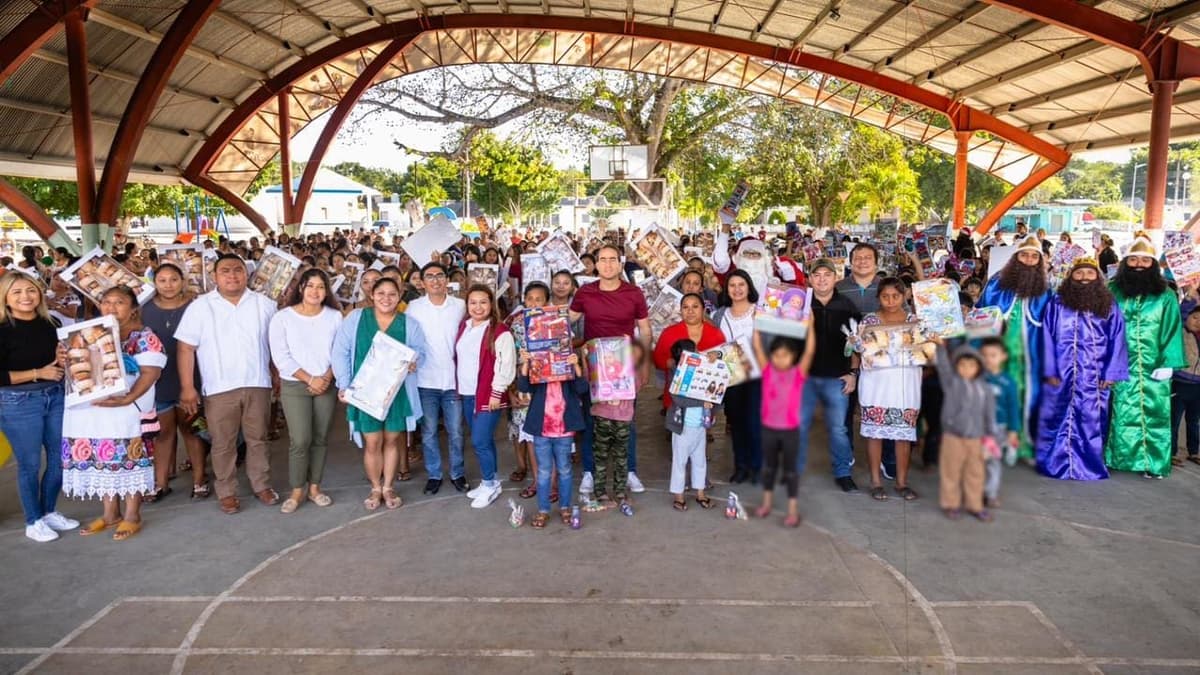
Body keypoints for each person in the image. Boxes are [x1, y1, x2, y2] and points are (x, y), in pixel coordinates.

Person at [175, 253, 279, 515]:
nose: (232, 275)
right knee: (223, 442)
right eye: (225, 271)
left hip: (258, 383)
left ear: (247, 274)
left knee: (258, 439)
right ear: (214, 277)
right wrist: (188, 388)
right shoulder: (200, 306)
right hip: (219, 387)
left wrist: (276, 374)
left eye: (238, 270)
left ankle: (261, 484)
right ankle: (227, 491)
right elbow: (186, 348)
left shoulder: (264, 304)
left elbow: (276, 343)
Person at [64, 286, 164, 540]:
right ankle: (110, 514)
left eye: (119, 302)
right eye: (106, 302)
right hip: (92, 412)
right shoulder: (86, 334)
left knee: (129, 459)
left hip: (128, 410)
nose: (111, 307)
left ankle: (132, 515)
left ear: (133, 310)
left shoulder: (143, 336)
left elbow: (151, 372)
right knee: (103, 458)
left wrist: (129, 397)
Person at [333, 277, 425, 510]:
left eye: (392, 294)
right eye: (381, 293)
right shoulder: (356, 319)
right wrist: (343, 384)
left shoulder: (409, 323)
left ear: (400, 296)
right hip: (365, 392)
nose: (386, 298)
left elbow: (420, 351)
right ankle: (375, 486)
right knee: (373, 441)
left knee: (392, 440)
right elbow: (340, 351)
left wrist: (415, 361)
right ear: (372, 295)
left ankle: (388, 486)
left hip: (396, 392)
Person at [568, 244, 651, 496]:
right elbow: (564, 321)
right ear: (596, 264)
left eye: (612, 259)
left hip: (625, 367)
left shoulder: (634, 292)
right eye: (602, 259)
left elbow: (645, 331)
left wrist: (644, 364)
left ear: (620, 262)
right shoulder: (585, 292)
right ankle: (590, 473)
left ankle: (629, 472)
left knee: (626, 423)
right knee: (593, 422)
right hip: (593, 367)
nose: (607, 264)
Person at [0, 273, 78, 542]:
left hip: (54, 395)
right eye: (17, 292)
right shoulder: (2, 328)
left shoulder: (51, 322)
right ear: (5, 298)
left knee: (59, 458)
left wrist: (59, 359)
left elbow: (54, 363)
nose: (25, 297)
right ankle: (33, 520)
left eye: (31, 290)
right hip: (17, 402)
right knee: (29, 464)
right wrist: (38, 373)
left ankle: (48, 511)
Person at [1036, 257, 1128, 480]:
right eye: (1079, 273)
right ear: (1071, 276)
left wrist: (1111, 372)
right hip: (1061, 373)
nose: (1084, 278)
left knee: (1091, 419)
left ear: (1098, 276)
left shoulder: (1109, 304)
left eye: (1090, 273)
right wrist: (1049, 370)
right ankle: (1057, 463)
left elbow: (1118, 339)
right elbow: (1046, 337)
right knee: (1057, 416)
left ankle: (1089, 464)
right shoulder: (1057, 303)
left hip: (1093, 376)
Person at [1106, 237, 1186, 478]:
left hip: (1155, 365)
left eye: (1144, 259)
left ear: (1153, 264)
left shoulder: (1166, 295)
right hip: (1120, 363)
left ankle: (1154, 462)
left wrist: (1169, 363)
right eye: (1133, 259)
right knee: (1121, 412)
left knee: (1156, 413)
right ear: (1125, 262)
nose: (1138, 263)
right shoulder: (1112, 290)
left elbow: (1172, 328)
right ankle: (1119, 458)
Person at [269, 268, 342, 513]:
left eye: (321, 287)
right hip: (295, 384)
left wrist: (326, 378)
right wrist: (310, 379)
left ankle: (314, 488)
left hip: (325, 384)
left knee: (320, 438)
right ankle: (297, 489)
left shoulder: (334, 317)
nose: (315, 291)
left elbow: (339, 352)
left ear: (326, 291)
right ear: (301, 288)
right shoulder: (283, 318)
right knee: (300, 439)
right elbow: (281, 357)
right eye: (310, 286)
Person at [979, 235, 1053, 463]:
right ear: (1015, 257)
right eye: (1024, 254)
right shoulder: (996, 283)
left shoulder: (1046, 289)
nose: (1029, 260)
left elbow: (1052, 327)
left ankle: (1025, 445)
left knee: (1029, 396)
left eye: (1034, 256)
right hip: (998, 351)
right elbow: (981, 314)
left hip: (1031, 354)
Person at [140, 263, 208, 501]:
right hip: (158, 380)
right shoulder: (143, 309)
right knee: (163, 433)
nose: (168, 285)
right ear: (154, 283)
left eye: (173, 280)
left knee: (193, 430)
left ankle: (199, 479)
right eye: (162, 280)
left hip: (191, 378)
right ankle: (160, 483)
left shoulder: (197, 306)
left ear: (182, 281)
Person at [854, 277, 922, 501]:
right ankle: (875, 481)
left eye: (896, 296)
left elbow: (927, 350)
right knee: (875, 433)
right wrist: (855, 342)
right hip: (876, 385)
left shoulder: (916, 320)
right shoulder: (870, 321)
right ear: (878, 298)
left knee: (903, 436)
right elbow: (858, 349)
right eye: (885, 296)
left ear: (904, 296)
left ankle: (902, 483)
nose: (891, 301)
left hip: (906, 385)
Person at [406, 262, 467, 495]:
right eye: (429, 276)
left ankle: (457, 473)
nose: (435, 280)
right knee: (429, 431)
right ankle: (434, 474)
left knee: (456, 431)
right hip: (425, 379)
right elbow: (407, 339)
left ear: (447, 280)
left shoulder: (460, 305)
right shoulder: (414, 307)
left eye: (440, 275)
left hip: (454, 379)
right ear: (422, 282)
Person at [802, 259, 861, 493]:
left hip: (837, 377)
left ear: (836, 277)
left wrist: (853, 373)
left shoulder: (847, 307)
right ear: (809, 278)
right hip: (804, 377)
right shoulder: (799, 305)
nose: (822, 279)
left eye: (827, 274)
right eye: (817, 275)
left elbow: (857, 346)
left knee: (838, 428)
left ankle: (843, 472)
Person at [457, 284, 516, 508]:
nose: (478, 307)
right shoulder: (465, 327)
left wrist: (497, 392)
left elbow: (506, 364)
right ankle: (488, 480)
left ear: (491, 304)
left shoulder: (499, 331)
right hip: (467, 392)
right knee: (484, 441)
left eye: (483, 302)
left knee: (480, 440)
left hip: (488, 395)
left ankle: (490, 484)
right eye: (473, 302)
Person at [516, 348, 586, 528]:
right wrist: (526, 363)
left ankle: (565, 507)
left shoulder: (568, 372)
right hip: (542, 430)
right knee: (544, 471)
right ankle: (543, 509)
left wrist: (575, 365)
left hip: (564, 430)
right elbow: (523, 386)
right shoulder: (539, 370)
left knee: (564, 469)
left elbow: (582, 388)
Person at [752, 330, 815, 528]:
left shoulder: (798, 373)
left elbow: (810, 352)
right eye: (776, 355)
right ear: (771, 356)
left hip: (789, 431)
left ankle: (792, 510)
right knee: (769, 468)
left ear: (793, 357)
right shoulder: (767, 370)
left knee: (790, 471)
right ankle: (767, 503)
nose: (780, 360)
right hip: (769, 429)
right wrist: (757, 324)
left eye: (785, 355)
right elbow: (757, 346)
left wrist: (810, 326)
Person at [931, 339, 995, 522]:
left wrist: (991, 436)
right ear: (956, 366)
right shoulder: (952, 383)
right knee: (951, 471)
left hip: (976, 438)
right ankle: (951, 504)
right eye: (962, 365)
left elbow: (989, 414)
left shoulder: (984, 389)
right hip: (953, 436)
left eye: (971, 365)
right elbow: (943, 367)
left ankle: (975, 505)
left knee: (975, 473)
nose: (967, 369)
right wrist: (940, 347)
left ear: (979, 367)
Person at [711, 270, 763, 484]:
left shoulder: (759, 311)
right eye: (732, 285)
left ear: (749, 287)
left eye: (741, 284)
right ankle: (740, 466)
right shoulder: (720, 315)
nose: (737, 289)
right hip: (731, 377)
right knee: (736, 423)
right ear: (726, 289)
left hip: (758, 376)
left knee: (755, 423)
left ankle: (758, 467)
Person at [590, 340, 648, 504]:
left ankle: (620, 491)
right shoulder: (599, 369)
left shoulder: (631, 372)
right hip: (602, 415)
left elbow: (635, 388)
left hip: (623, 418)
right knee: (600, 455)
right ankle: (600, 491)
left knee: (621, 456)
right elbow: (592, 384)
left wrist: (626, 374)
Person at [665, 338, 718, 511]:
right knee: (680, 462)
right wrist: (702, 403)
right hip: (682, 428)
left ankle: (700, 494)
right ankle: (678, 496)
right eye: (694, 352)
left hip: (700, 427)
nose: (698, 354)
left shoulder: (702, 371)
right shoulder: (676, 375)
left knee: (700, 460)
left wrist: (712, 409)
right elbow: (678, 399)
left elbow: (714, 393)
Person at [653, 293, 725, 410]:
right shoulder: (669, 333)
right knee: (675, 427)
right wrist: (669, 363)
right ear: (680, 311)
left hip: (706, 399)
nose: (690, 311)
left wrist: (716, 358)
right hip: (676, 399)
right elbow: (658, 359)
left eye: (695, 307)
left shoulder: (715, 334)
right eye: (685, 307)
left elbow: (725, 359)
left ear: (703, 310)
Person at [979, 338, 1019, 506]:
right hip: (978, 427)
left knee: (993, 462)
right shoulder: (977, 379)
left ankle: (991, 493)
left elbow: (1013, 408)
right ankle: (975, 492)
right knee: (976, 460)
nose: (989, 359)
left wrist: (1013, 431)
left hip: (998, 428)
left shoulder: (1008, 382)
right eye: (985, 355)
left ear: (1003, 356)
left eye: (993, 355)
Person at [1171, 301, 1200, 466]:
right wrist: (1190, 299)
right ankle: (1172, 452)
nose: (1198, 322)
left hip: (1197, 387)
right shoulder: (1181, 332)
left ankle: (1194, 451)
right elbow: (1179, 316)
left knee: (1194, 420)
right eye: (1195, 317)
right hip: (1180, 383)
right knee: (1174, 420)